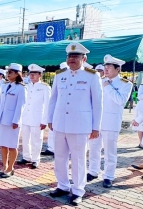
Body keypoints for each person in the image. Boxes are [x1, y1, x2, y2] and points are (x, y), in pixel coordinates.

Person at [48, 42, 103, 206]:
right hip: (59, 124)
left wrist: (95, 127)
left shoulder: (92, 75)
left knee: (78, 160)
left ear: (84, 58)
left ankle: (78, 191)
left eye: (76, 56)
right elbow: (53, 99)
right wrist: (50, 119)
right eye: (69, 56)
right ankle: (63, 186)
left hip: (80, 126)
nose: (72, 59)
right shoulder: (60, 74)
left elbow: (98, 103)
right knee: (60, 158)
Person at [88, 55, 133, 188]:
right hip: (97, 122)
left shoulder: (126, 84)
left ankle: (108, 176)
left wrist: (107, 86)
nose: (105, 69)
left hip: (111, 122)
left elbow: (120, 101)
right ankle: (93, 171)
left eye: (109, 67)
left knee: (110, 152)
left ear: (118, 69)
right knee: (94, 148)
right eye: (105, 66)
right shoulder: (99, 81)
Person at [0, 63, 27, 178]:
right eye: (7, 72)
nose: (8, 74)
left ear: (17, 74)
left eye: (10, 72)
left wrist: (16, 121)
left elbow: (21, 106)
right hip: (2, 120)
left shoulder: (21, 88)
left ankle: (10, 168)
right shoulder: (4, 86)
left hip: (13, 121)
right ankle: (4, 166)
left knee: (12, 145)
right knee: (3, 145)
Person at [18, 64, 51, 169]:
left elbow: (47, 105)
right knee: (25, 139)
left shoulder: (45, 87)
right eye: (30, 73)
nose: (31, 76)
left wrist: (44, 121)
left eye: (34, 73)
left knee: (36, 140)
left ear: (40, 75)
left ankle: (36, 159)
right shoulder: (26, 86)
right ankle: (26, 157)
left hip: (37, 118)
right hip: (26, 117)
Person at [132, 83, 143, 149]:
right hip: (141, 108)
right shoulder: (142, 85)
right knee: (140, 127)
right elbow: (139, 96)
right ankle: (141, 143)